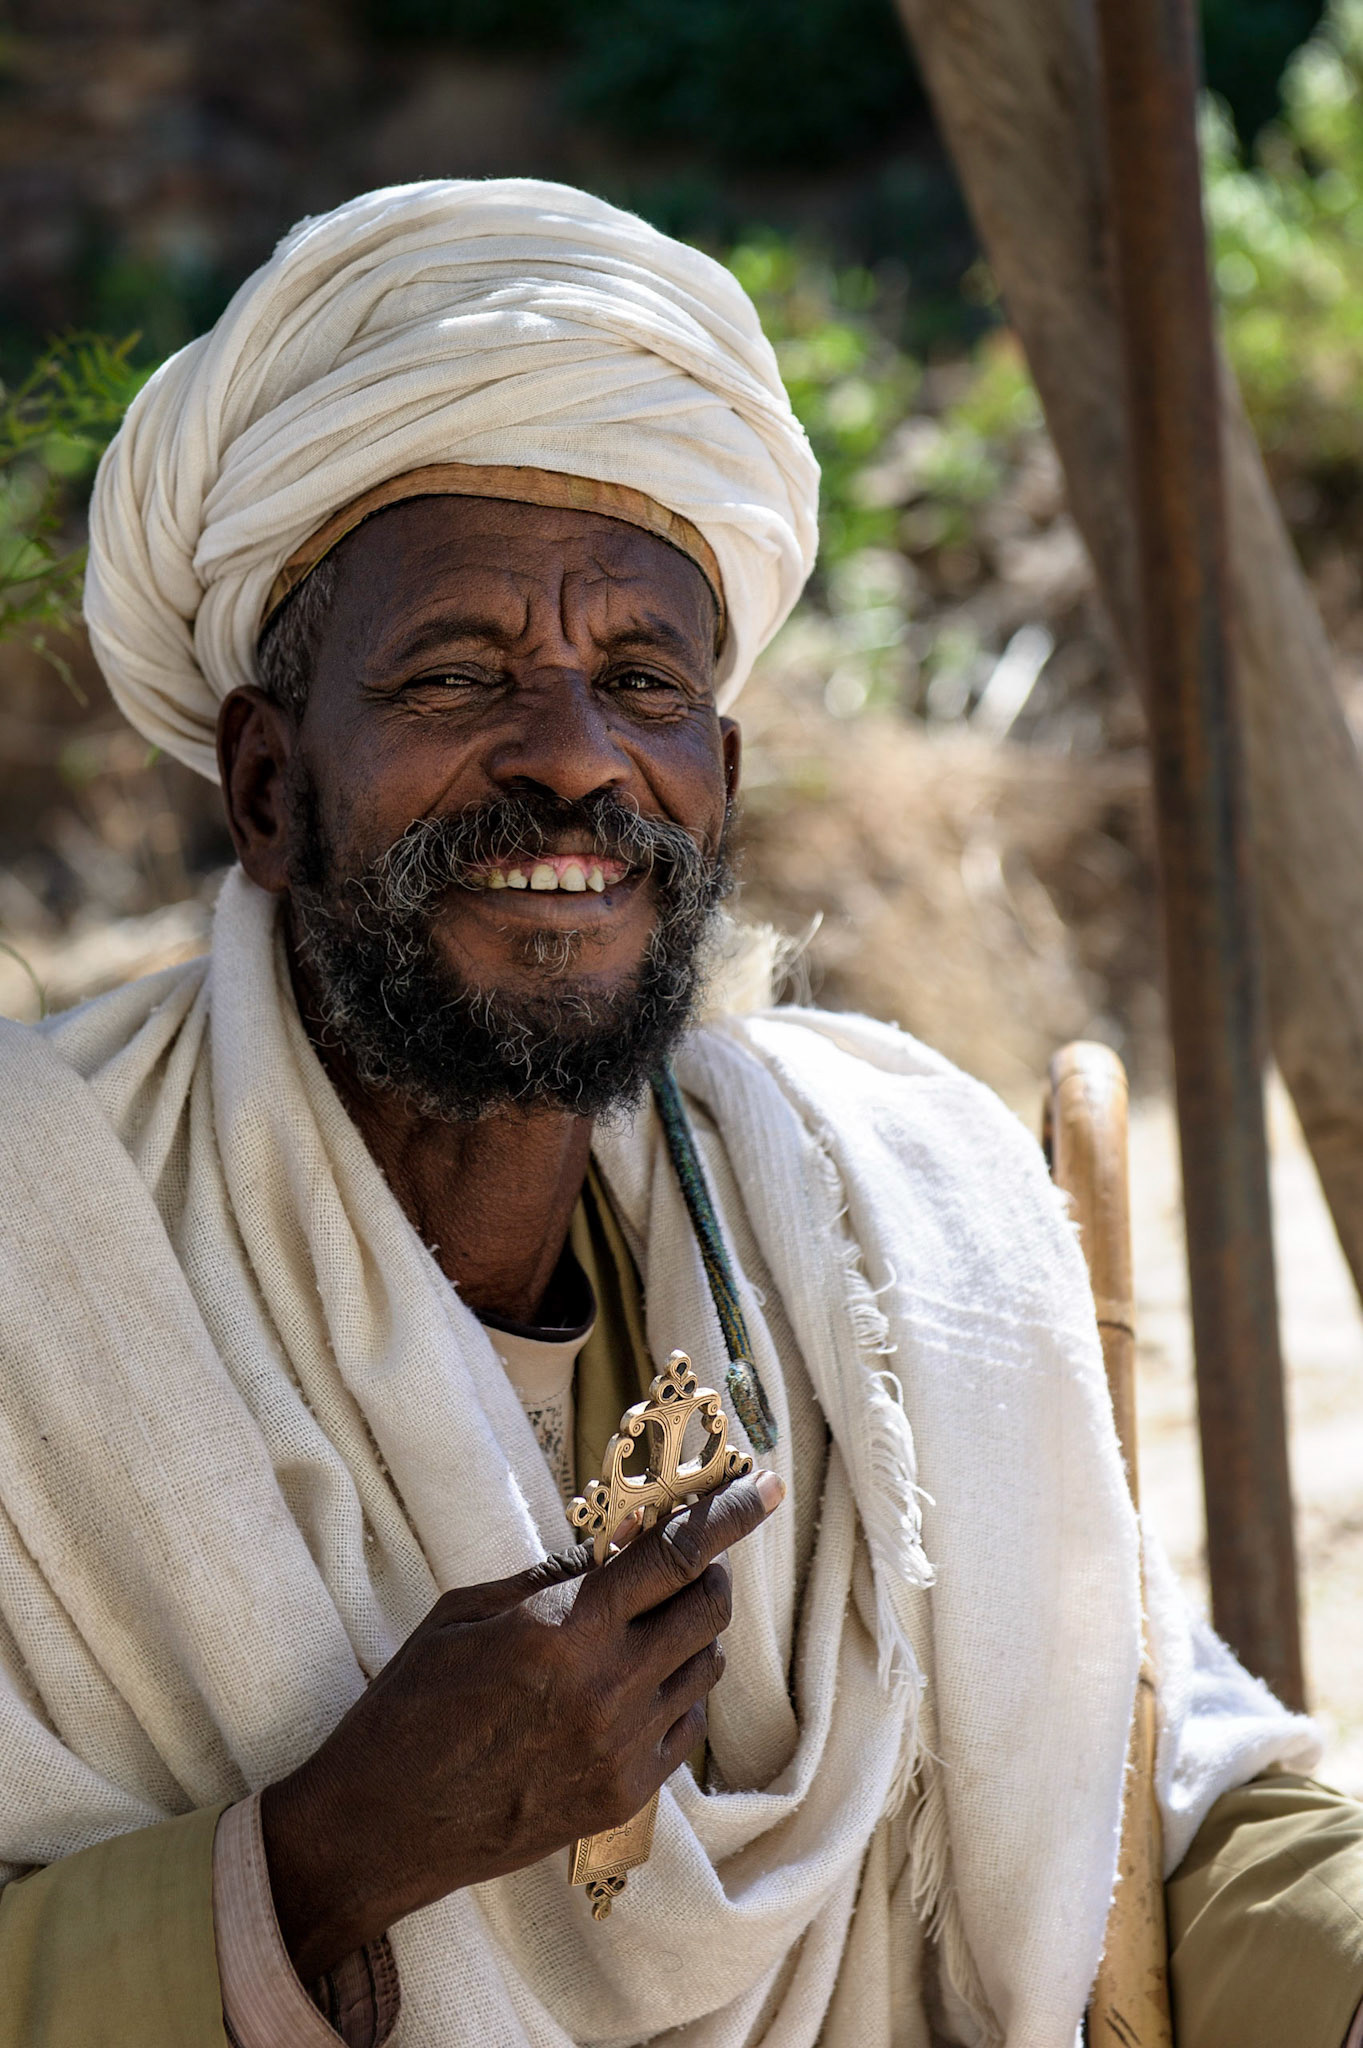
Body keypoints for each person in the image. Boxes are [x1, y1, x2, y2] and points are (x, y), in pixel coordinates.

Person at [0, 178, 1355, 2048]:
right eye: (460, 673)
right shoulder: (38, 1247)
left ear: (714, 783)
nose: (573, 753)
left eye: (643, 684)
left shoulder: (882, 1208)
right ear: (265, 786)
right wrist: (314, 1863)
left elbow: (1148, 1765)